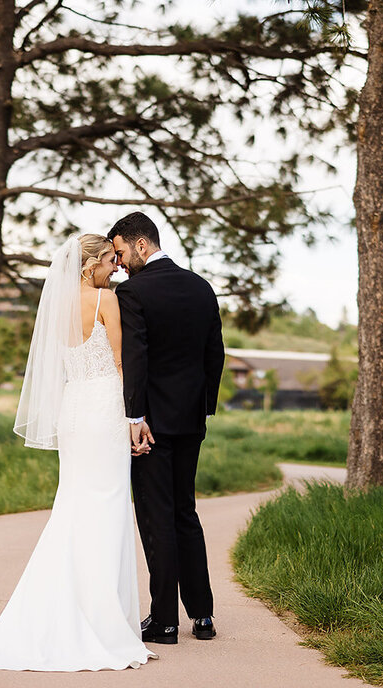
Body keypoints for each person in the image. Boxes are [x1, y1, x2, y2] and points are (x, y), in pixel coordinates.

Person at [0, 234, 155, 672]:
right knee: (108, 510)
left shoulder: (57, 307)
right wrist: (134, 420)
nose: (115, 267)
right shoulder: (106, 300)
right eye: (108, 260)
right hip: (104, 409)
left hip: (75, 409)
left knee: (74, 508)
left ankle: (64, 611)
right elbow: (122, 363)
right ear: (90, 266)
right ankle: (104, 624)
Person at [108, 211, 224, 645]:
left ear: (141, 245)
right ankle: (204, 616)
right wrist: (202, 408)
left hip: (151, 425)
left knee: (157, 519)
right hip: (191, 420)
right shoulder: (201, 286)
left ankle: (164, 622)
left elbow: (136, 358)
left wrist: (134, 418)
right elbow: (215, 354)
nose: (118, 262)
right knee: (185, 514)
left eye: (119, 251)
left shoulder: (132, 292)